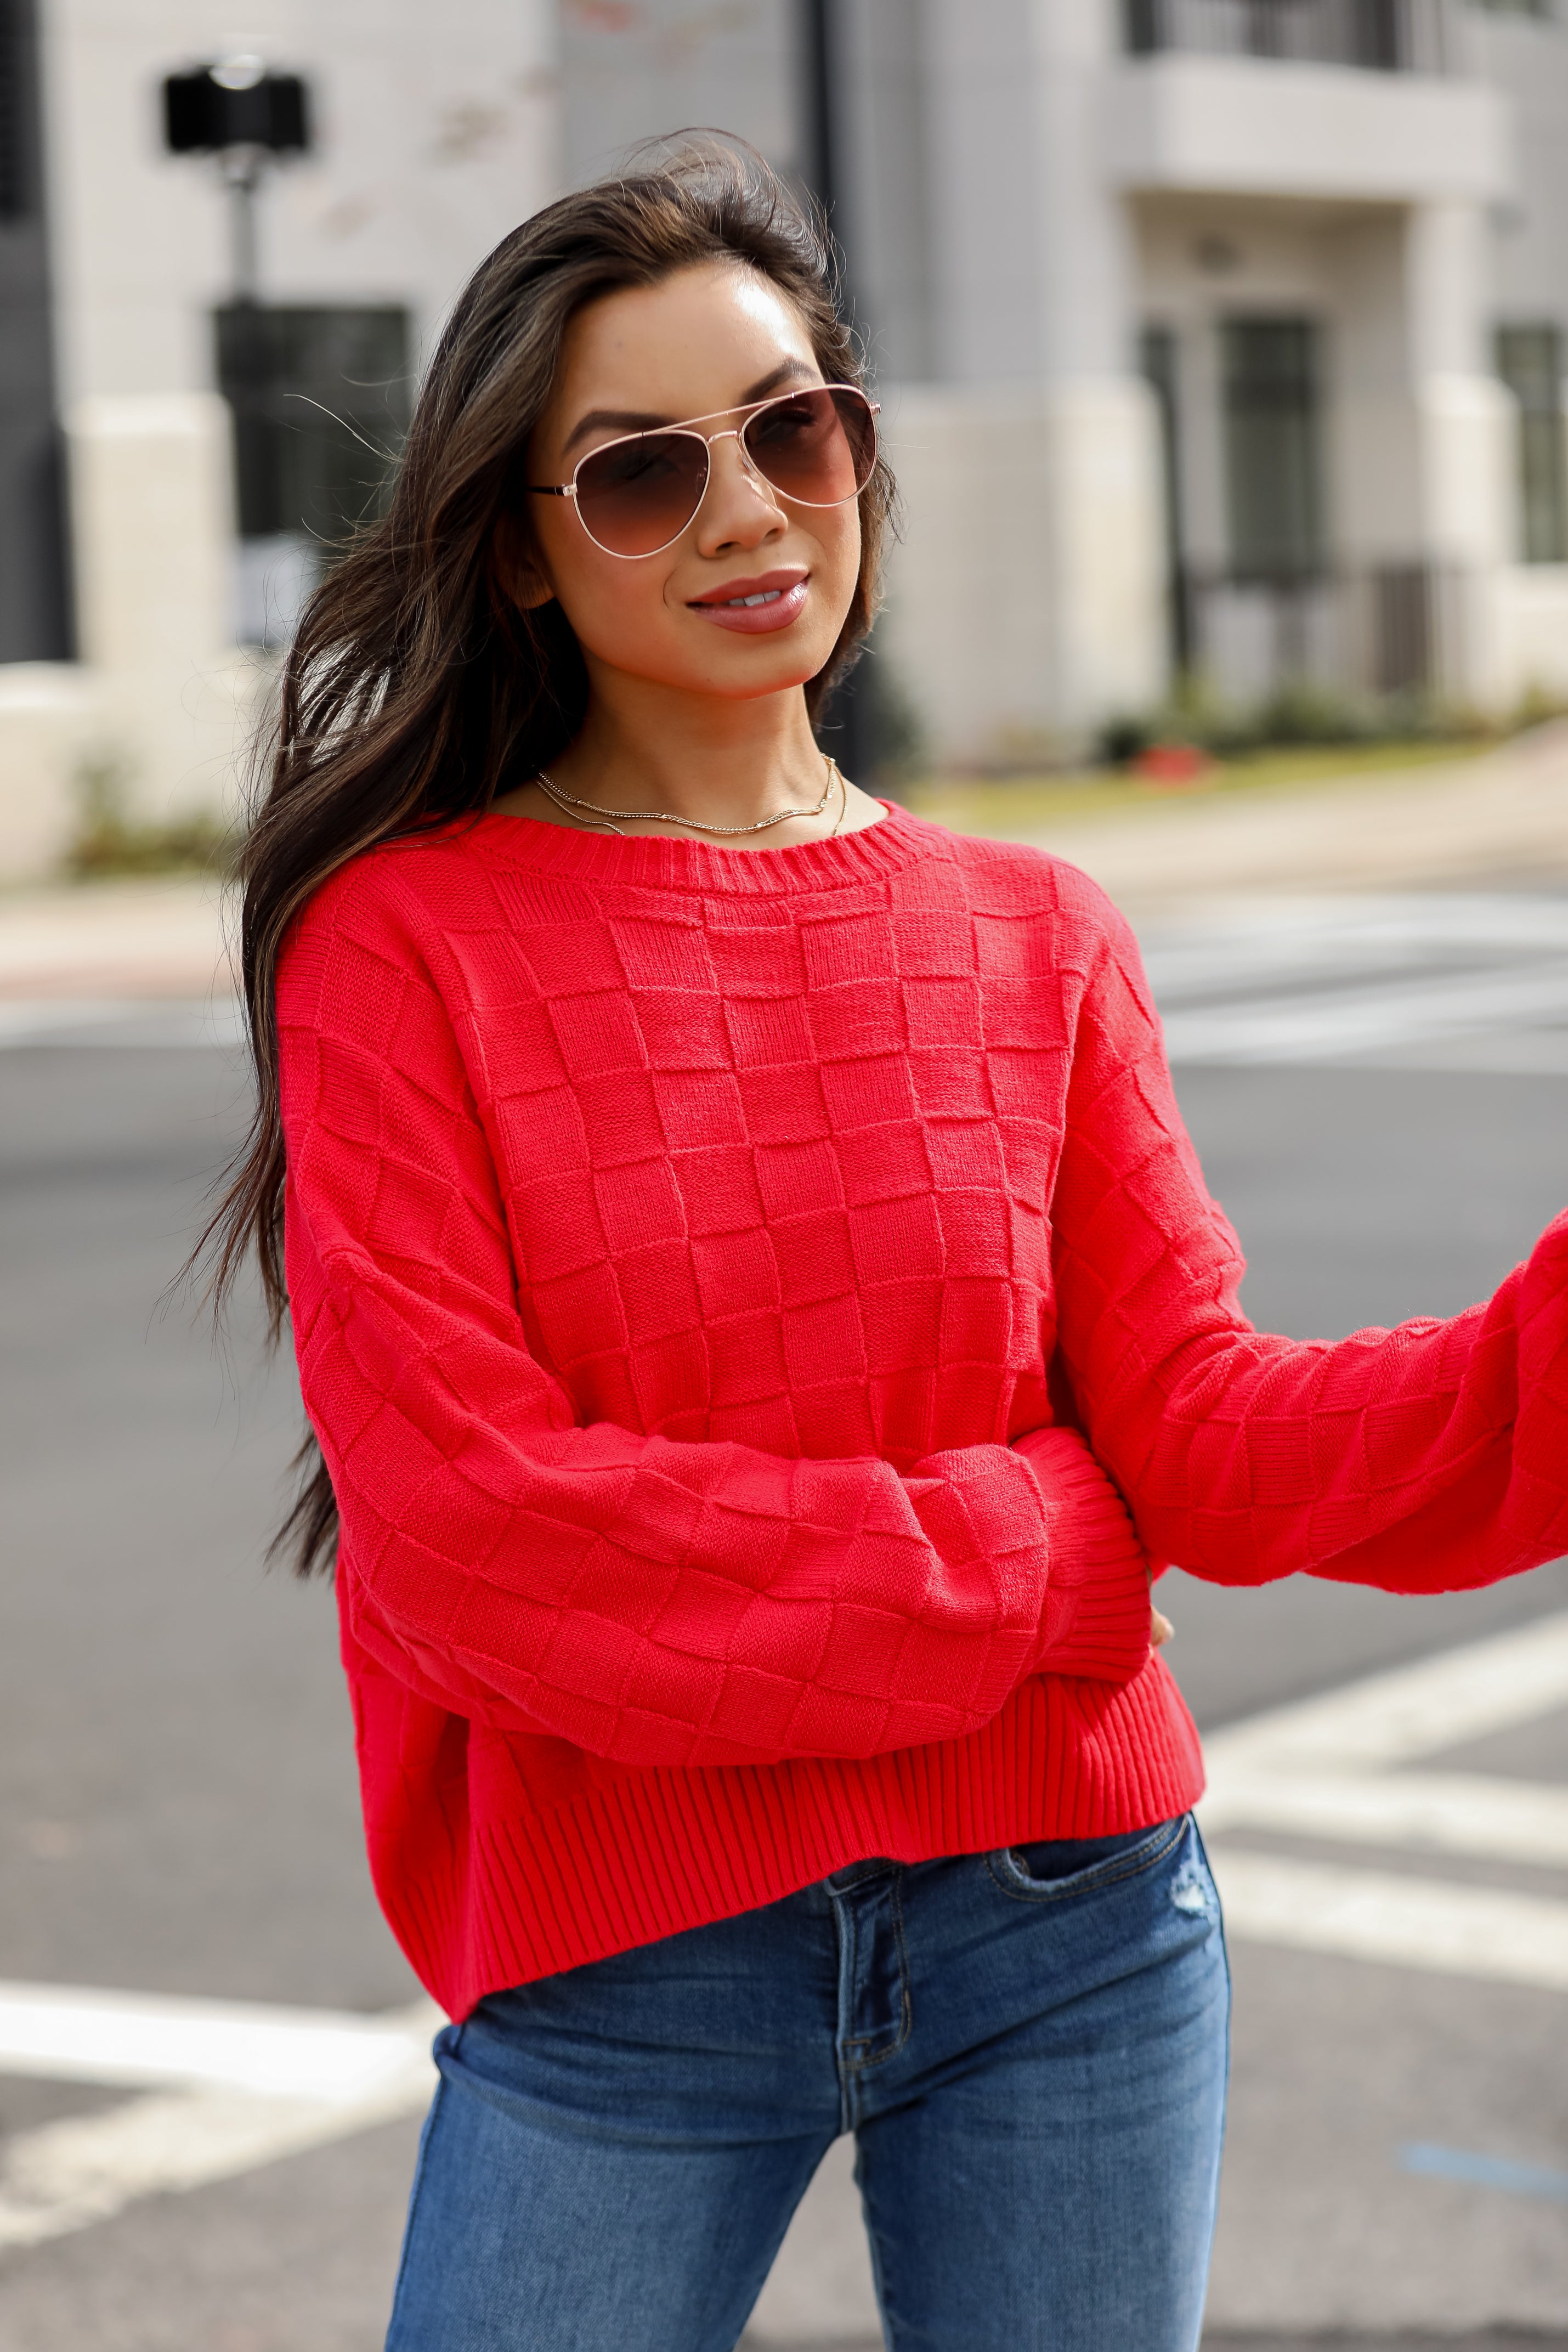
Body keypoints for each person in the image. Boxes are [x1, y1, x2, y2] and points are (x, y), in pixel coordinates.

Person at [209, 142, 1568, 2352]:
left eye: (792, 428)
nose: (749, 509)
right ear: (527, 559)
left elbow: (1207, 1441)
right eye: (642, 474)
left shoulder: (1035, 933)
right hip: (628, 1975)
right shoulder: (406, 946)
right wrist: (1030, 1553)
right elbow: (476, 1542)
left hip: (1077, 1940)